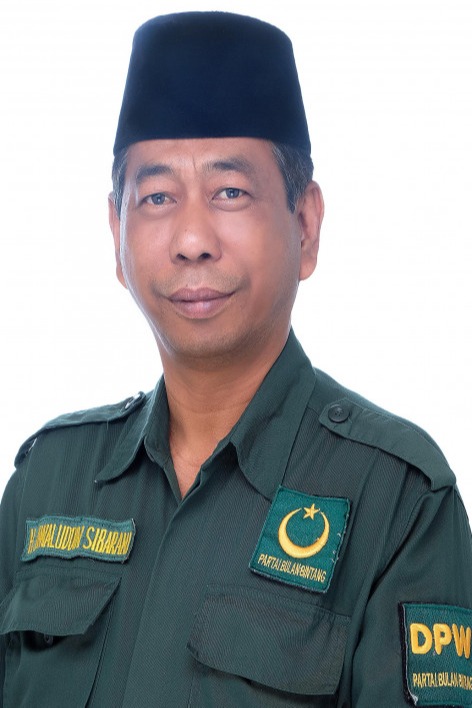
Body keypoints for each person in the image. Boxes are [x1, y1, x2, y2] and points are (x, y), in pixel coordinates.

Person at [0, 11, 471, 707]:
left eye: (230, 192)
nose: (192, 238)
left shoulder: (397, 500)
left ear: (305, 225)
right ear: (117, 232)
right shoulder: (49, 482)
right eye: (157, 197)